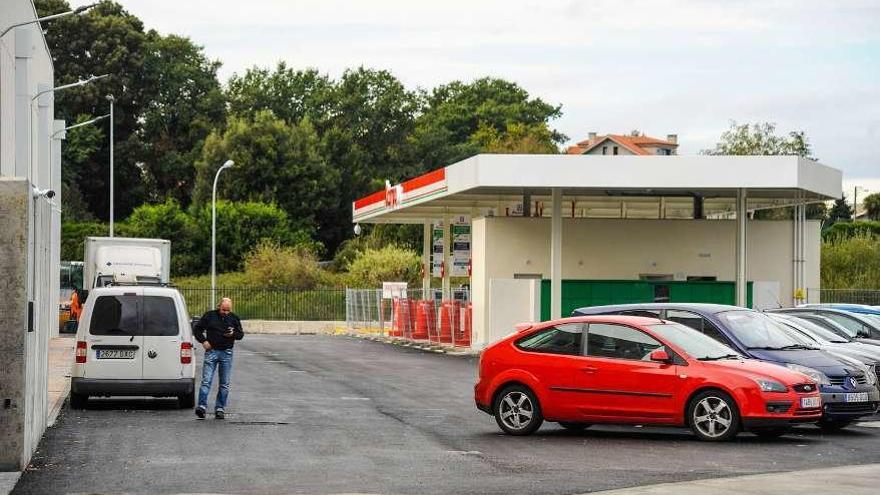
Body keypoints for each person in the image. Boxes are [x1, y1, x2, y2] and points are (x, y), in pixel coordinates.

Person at [193, 297, 244, 419]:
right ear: (218, 307)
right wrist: (203, 341)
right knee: (206, 380)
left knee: (224, 383)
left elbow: (240, 334)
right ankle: (202, 406)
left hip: (227, 353)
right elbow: (197, 329)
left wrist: (233, 334)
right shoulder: (209, 316)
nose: (225, 312)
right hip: (212, 351)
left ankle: (220, 408)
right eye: (223, 310)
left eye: (228, 310)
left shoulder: (234, 318)